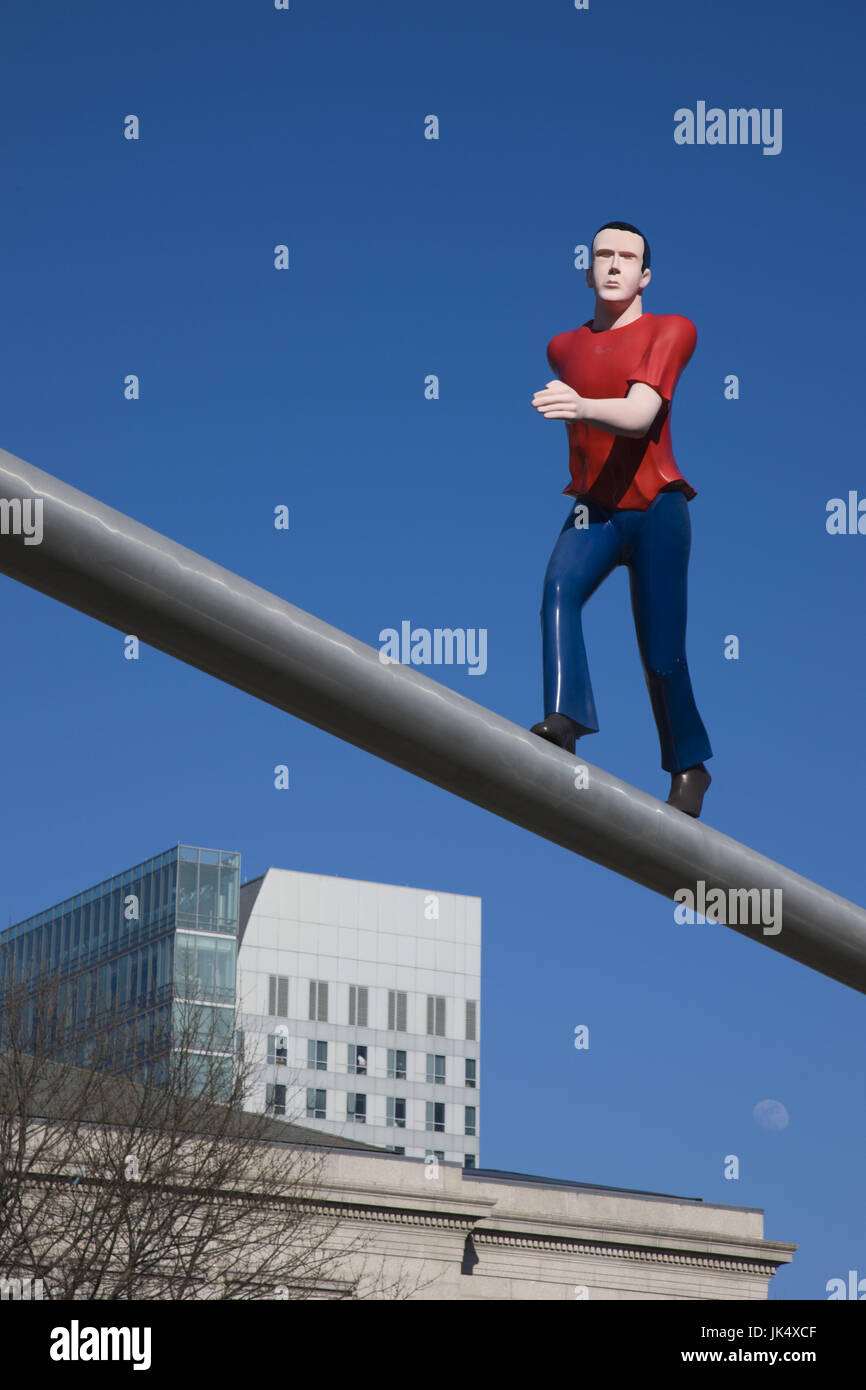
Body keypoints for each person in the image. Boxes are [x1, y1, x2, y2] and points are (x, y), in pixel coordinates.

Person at [529, 221, 712, 818]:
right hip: (596, 507)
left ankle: (689, 766)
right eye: (602, 255)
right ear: (587, 270)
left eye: (626, 257)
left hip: (657, 508)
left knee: (661, 652)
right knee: (558, 589)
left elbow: (640, 413)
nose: (612, 265)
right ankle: (564, 718)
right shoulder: (563, 347)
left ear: (645, 275)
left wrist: (580, 405)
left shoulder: (670, 331)